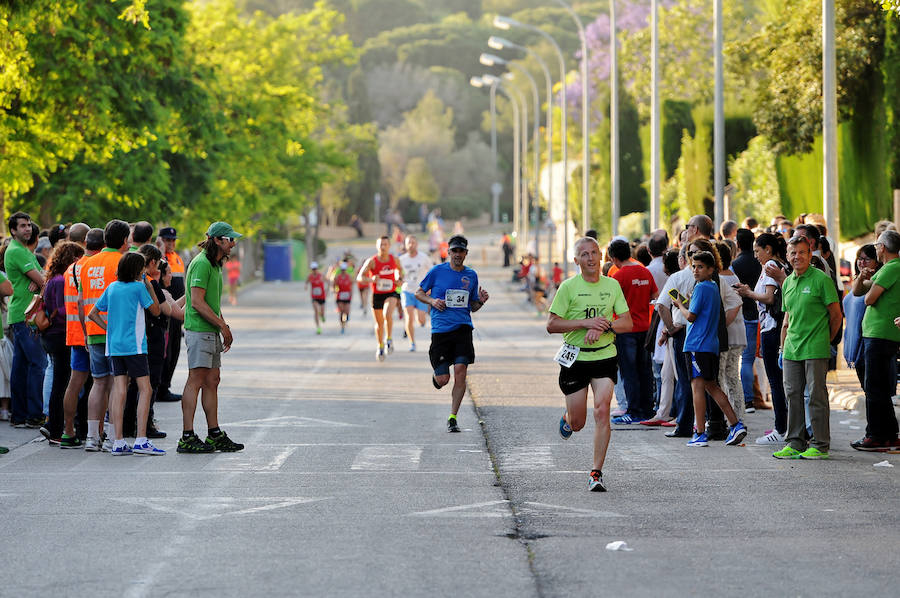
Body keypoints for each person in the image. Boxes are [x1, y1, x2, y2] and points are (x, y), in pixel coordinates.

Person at [548, 236, 632, 492]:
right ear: (576, 261)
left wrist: (604, 325)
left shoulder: (612, 285)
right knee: (578, 423)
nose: (591, 258)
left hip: (604, 356)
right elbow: (552, 324)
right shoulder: (568, 288)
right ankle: (567, 418)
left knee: (602, 410)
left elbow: (628, 323)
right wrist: (585, 323)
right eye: (584, 254)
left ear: (601, 256)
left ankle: (596, 472)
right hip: (575, 358)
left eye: (594, 252)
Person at [177, 222, 244, 454]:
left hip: (210, 330)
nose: (233, 244)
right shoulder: (202, 264)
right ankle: (187, 435)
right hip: (199, 330)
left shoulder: (215, 265)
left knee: (212, 380)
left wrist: (223, 326)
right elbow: (196, 302)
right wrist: (222, 326)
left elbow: (212, 303)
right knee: (196, 379)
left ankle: (214, 433)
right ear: (217, 240)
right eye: (230, 240)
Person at [772, 236, 841, 459]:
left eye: (802, 252)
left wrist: (826, 340)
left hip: (815, 348)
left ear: (810, 255)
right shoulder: (788, 282)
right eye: (793, 253)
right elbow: (787, 318)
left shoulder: (821, 279)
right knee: (792, 395)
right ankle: (794, 442)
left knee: (816, 397)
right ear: (787, 256)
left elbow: (836, 316)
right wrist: (783, 349)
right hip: (792, 349)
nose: (797, 257)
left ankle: (820, 445)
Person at [88, 252, 163, 455]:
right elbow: (156, 310)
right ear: (137, 270)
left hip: (114, 346)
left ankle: (118, 440)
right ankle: (141, 438)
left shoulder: (112, 287)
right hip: (135, 346)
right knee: (145, 389)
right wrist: (149, 286)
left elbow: (92, 313)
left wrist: (108, 328)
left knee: (119, 390)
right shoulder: (138, 287)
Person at [674, 250, 748, 447]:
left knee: (698, 388)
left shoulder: (702, 288)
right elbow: (699, 310)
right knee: (712, 386)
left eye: (700, 267)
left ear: (710, 269)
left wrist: (679, 303)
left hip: (697, 344)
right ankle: (734, 424)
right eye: (694, 267)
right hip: (709, 344)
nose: (696, 270)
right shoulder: (713, 287)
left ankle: (699, 432)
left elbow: (690, 316)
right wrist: (687, 303)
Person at [415, 235, 489, 433]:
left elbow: (472, 306)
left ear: (466, 253)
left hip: (463, 328)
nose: (457, 254)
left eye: (461, 251)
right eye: (454, 251)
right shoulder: (437, 271)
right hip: (441, 331)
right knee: (443, 380)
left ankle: (453, 417)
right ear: (448, 252)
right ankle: (437, 376)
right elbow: (418, 293)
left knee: (460, 371)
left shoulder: (471, 275)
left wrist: (481, 301)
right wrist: (432, 302)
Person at [734, 233, 789, 445]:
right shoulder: (778, 264)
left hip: (772, 328)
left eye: (758, 251)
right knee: (780, 380)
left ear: (768, 249)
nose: (756, 255)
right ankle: (784, 425)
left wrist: (748, 293)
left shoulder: (771, 267)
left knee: (775, 381)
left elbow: (768, 297)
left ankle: (781, 427)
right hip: (773, 327)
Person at [81, 220, 131, 451]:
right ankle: (112, 436)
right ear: (123, 240)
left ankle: (92, 437)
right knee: (117, 384)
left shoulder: (88, 264)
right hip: (117, 333)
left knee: (98, 383)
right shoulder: (122, 262)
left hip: (93, 330)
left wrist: (85, 333)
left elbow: (82, 301)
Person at [851, 230, 900, 451]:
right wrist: (862, 276)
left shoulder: (892, 268)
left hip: (881, 334)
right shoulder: (887, 270)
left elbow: (869, 299)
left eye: (877, 245)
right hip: (877, 334)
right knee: (877, 386)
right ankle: (888, 434)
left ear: (882, 247)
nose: (876, 249)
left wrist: (871, 283)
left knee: (874, 387)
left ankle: (876, 435)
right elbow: (857, 292)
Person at [38, 242, 85, 444]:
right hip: (59, 334)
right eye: (77, 258)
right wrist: (78, 307)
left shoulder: (53, 278)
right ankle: (55, 428)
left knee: (62, 381)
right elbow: (62, 309)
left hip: (51, 335)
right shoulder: (60, 281)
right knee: (62, 383)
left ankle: (55, 425)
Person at [608, 239, 658, 424]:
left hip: (625, 330)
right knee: (645, 371)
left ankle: (634, 411)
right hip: (645, 328)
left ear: (613, 258)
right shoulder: (645, 271)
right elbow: (655, 295)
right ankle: (647, 409)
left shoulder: (618, 277)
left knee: (629, 372)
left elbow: (609, 302)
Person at [5, 212, 47, 429]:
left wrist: (40, 279)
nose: (28, 229)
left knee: (21, 367)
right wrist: (40, 279)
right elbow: (43, 280)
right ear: (13, 230)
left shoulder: (23, 250)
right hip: (26, 315)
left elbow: (42, 278)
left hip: (22, 313)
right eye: (22, 226)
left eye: (29, 225)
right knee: (39, 363)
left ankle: (20, 415)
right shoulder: (18, 252)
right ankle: (34, 414)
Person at [731, 228, 763, 413]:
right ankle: (750, 400)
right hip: (757, 315)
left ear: (738, 243)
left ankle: (747, 399)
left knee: (739, 360)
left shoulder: (736, 265)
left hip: (740, 315)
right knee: (749, 359)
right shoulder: (760, 262)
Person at [357, 236, 404, 361]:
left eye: (385, 244)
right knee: (379, 324)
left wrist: (399, 279)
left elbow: (400, 271)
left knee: (387, 314)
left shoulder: (394, 260)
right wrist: (371, 279)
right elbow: (360, 277)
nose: (383, 247)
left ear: (389, 246)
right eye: (380, 245)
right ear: (377, 246)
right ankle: (380, 345)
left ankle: (389, 339)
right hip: (377, 294)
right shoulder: (371, 261)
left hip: (391, 292)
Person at [843, 244, 879, 386]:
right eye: (860, 258)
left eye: (867, 259)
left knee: (872, 390)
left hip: (866, 344)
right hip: (853, 342)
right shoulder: (857, 281)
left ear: (877, 262)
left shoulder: (876, 282)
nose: (862, 262)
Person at [158, 226, 185, 403]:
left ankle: (166, 385)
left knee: (175, 349)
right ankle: (161, 388)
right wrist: (160, 249)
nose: (171, 243)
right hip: (166, 309)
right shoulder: (160, 259)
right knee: (165, 352)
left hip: (177, 309)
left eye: (173, 240)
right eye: (167, 240)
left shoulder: (177, 258)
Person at [399, 235, 433, 352]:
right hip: (407, 290)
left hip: (420, 292)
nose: (411, 245)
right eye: (409, 243)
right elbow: (398, 275)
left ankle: (422, 320)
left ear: (416, 244)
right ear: (405, 245)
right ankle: (412, 343)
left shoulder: (424, 258)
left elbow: (432, 272)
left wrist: (430, 287)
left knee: (421, 319)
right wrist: (398, 280)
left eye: (413, 243)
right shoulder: (401, 260)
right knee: (408, 318)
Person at [332, 262, 354, 334]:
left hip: (347, 295)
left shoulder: (349, 277)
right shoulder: (337, 277)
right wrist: (335, 291)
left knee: (347, 311)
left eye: (344, 270)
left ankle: (347, 318)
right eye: (342, 270)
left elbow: (351, 285)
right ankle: (342, 326)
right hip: (340, 295)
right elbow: (334, 286)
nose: (343, 271)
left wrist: (351, 293)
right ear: (341, 270)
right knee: (341, 311)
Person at [306, 262, 327, 335]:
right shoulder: (310, 276)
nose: (314, 270)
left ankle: (322, 316)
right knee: (316, 311)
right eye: (313, 269)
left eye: (315, 269)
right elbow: (307, 282)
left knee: (322, 312)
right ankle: (318, 327)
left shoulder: (321, 276)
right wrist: (306, 286)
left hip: (322, 297)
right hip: (314, 297)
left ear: (317, 269)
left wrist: (328, 290)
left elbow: (328, 282)